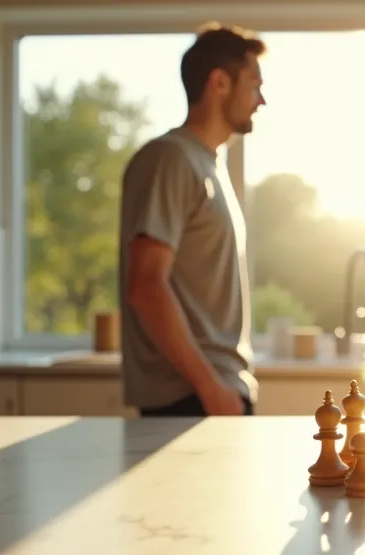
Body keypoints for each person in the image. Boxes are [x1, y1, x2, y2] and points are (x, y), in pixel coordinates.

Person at [118, 24, 266, 417]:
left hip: (212, 395)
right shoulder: (170, 159)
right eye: (254, 85)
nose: (261, 100)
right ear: (219, 83)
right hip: (189, 401)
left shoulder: (208, 164)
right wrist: (211, 390)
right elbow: (146, 286)